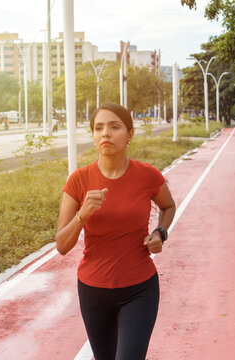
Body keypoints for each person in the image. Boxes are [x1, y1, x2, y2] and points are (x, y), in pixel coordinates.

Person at [55, 103, 176, 360]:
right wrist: (82, 215)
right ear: (93, 135)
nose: (105, 133)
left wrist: (160, 233)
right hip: (93, 291)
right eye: (99, 128)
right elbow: (62, 245)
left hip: (139, 289)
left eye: (114, 127)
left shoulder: (147, 175)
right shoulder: (78, 180)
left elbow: (168, 206)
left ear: (130, 134)